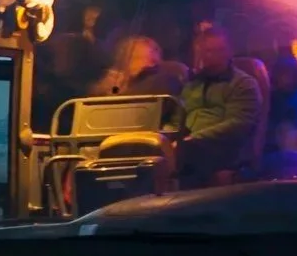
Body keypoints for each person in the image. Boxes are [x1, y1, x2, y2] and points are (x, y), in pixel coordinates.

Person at [179, 22, 261, 185]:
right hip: (190, 149)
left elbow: (238, 124)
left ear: (229, 52)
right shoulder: (191, 85)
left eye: (218, 50)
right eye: (206, 51)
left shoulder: (243, 83)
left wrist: (192, 140)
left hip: (224, 151)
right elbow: (178, 117)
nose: (211, 56)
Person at [93, 35, 181, 98]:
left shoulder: (161, 81)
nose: (150, 64)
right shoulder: (113, 81)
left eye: (154, 61)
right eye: (137, 58)